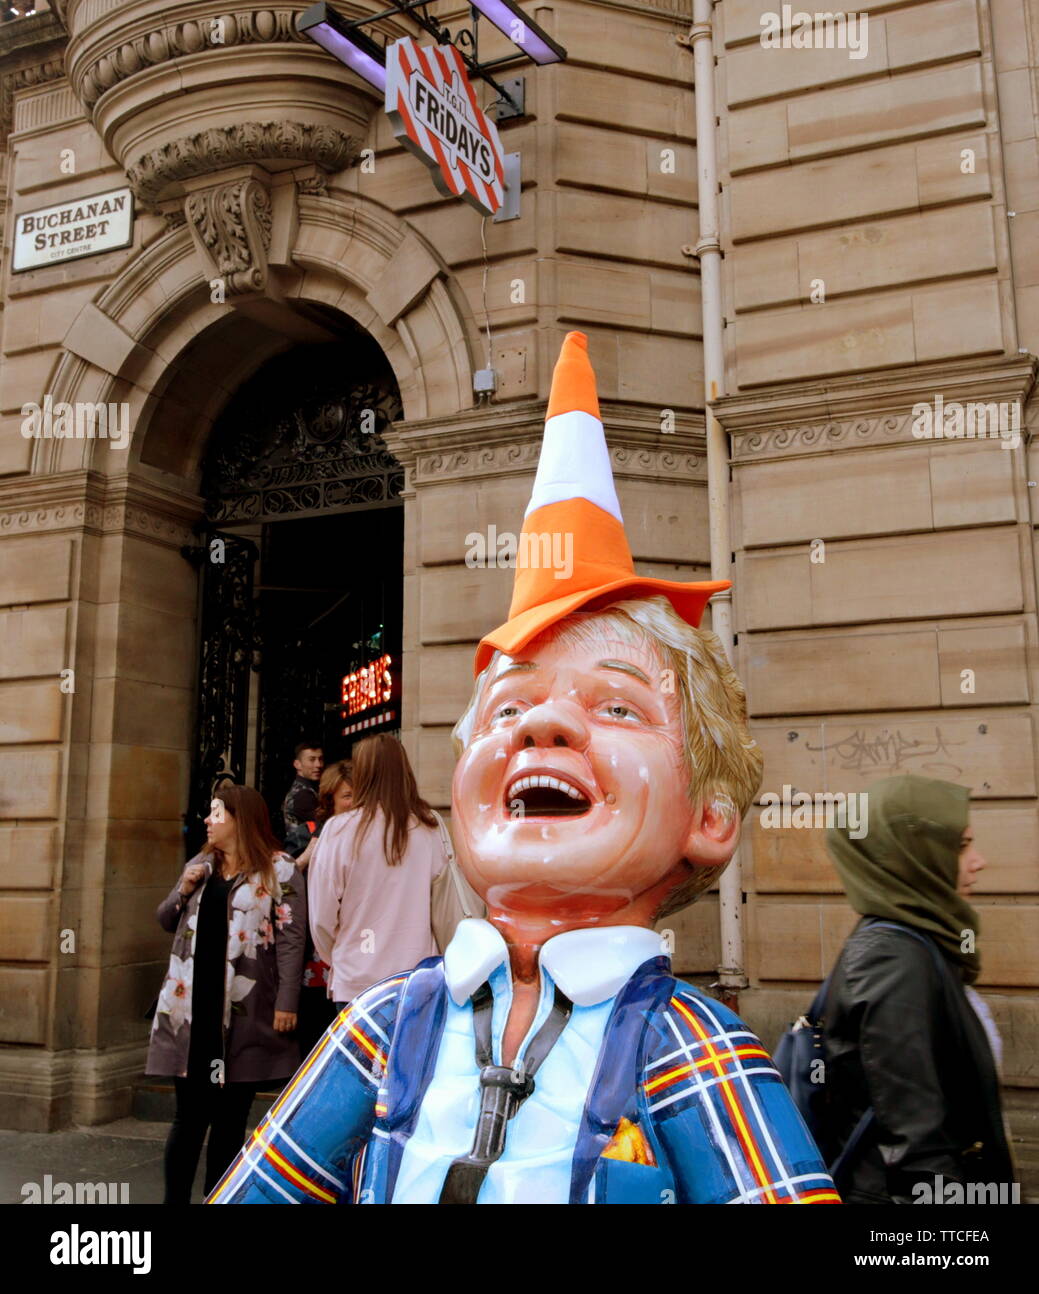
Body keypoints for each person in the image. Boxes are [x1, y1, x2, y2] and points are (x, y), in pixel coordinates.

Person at [210, 332, 836, 1205]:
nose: (541, 723)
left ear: (711, 816)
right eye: (506, 710)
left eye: (616, 707)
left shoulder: (687, 1049)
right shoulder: (389, 1025)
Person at [821, 773, 1015, 1203]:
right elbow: (915, 1145)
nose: (979, 861)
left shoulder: (919, 943)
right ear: (913, 855)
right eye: (961, 846)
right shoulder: (892, 959)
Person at [147, 783, 306, 1203]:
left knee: (230, 1121)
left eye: (216, 813)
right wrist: (182, 888)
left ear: (240, 819)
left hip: (244, 1012)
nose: (208, 820)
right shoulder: (202, 864)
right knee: (188, 1119)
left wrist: (287, 1000)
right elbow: (164, 919)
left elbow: (293, 939)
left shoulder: (280, 869)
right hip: (192, 1011)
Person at [305, 734, 445, 1012]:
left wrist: (342, 955)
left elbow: (321, 916)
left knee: (359, 1057)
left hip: (357, 979)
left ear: (363, 774)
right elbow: (442, 901)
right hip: (417, 977)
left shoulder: (339, 829)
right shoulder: (430, 828)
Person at [294, 761, 353, 1055]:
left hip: (350, 956)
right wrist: (307, 856)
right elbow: (281, 882)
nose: (354, 803)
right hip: (313, 951)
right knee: (315, 1033)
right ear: (330, 799)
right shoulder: (306, 833)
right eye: (347, 796)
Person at [282, 742, 324, 855]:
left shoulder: (304, 789)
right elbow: (325, 828)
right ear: (297, 764)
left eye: (320, 759)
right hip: (304, 858)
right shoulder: (303, 795)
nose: (318, 765)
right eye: (312, 759)